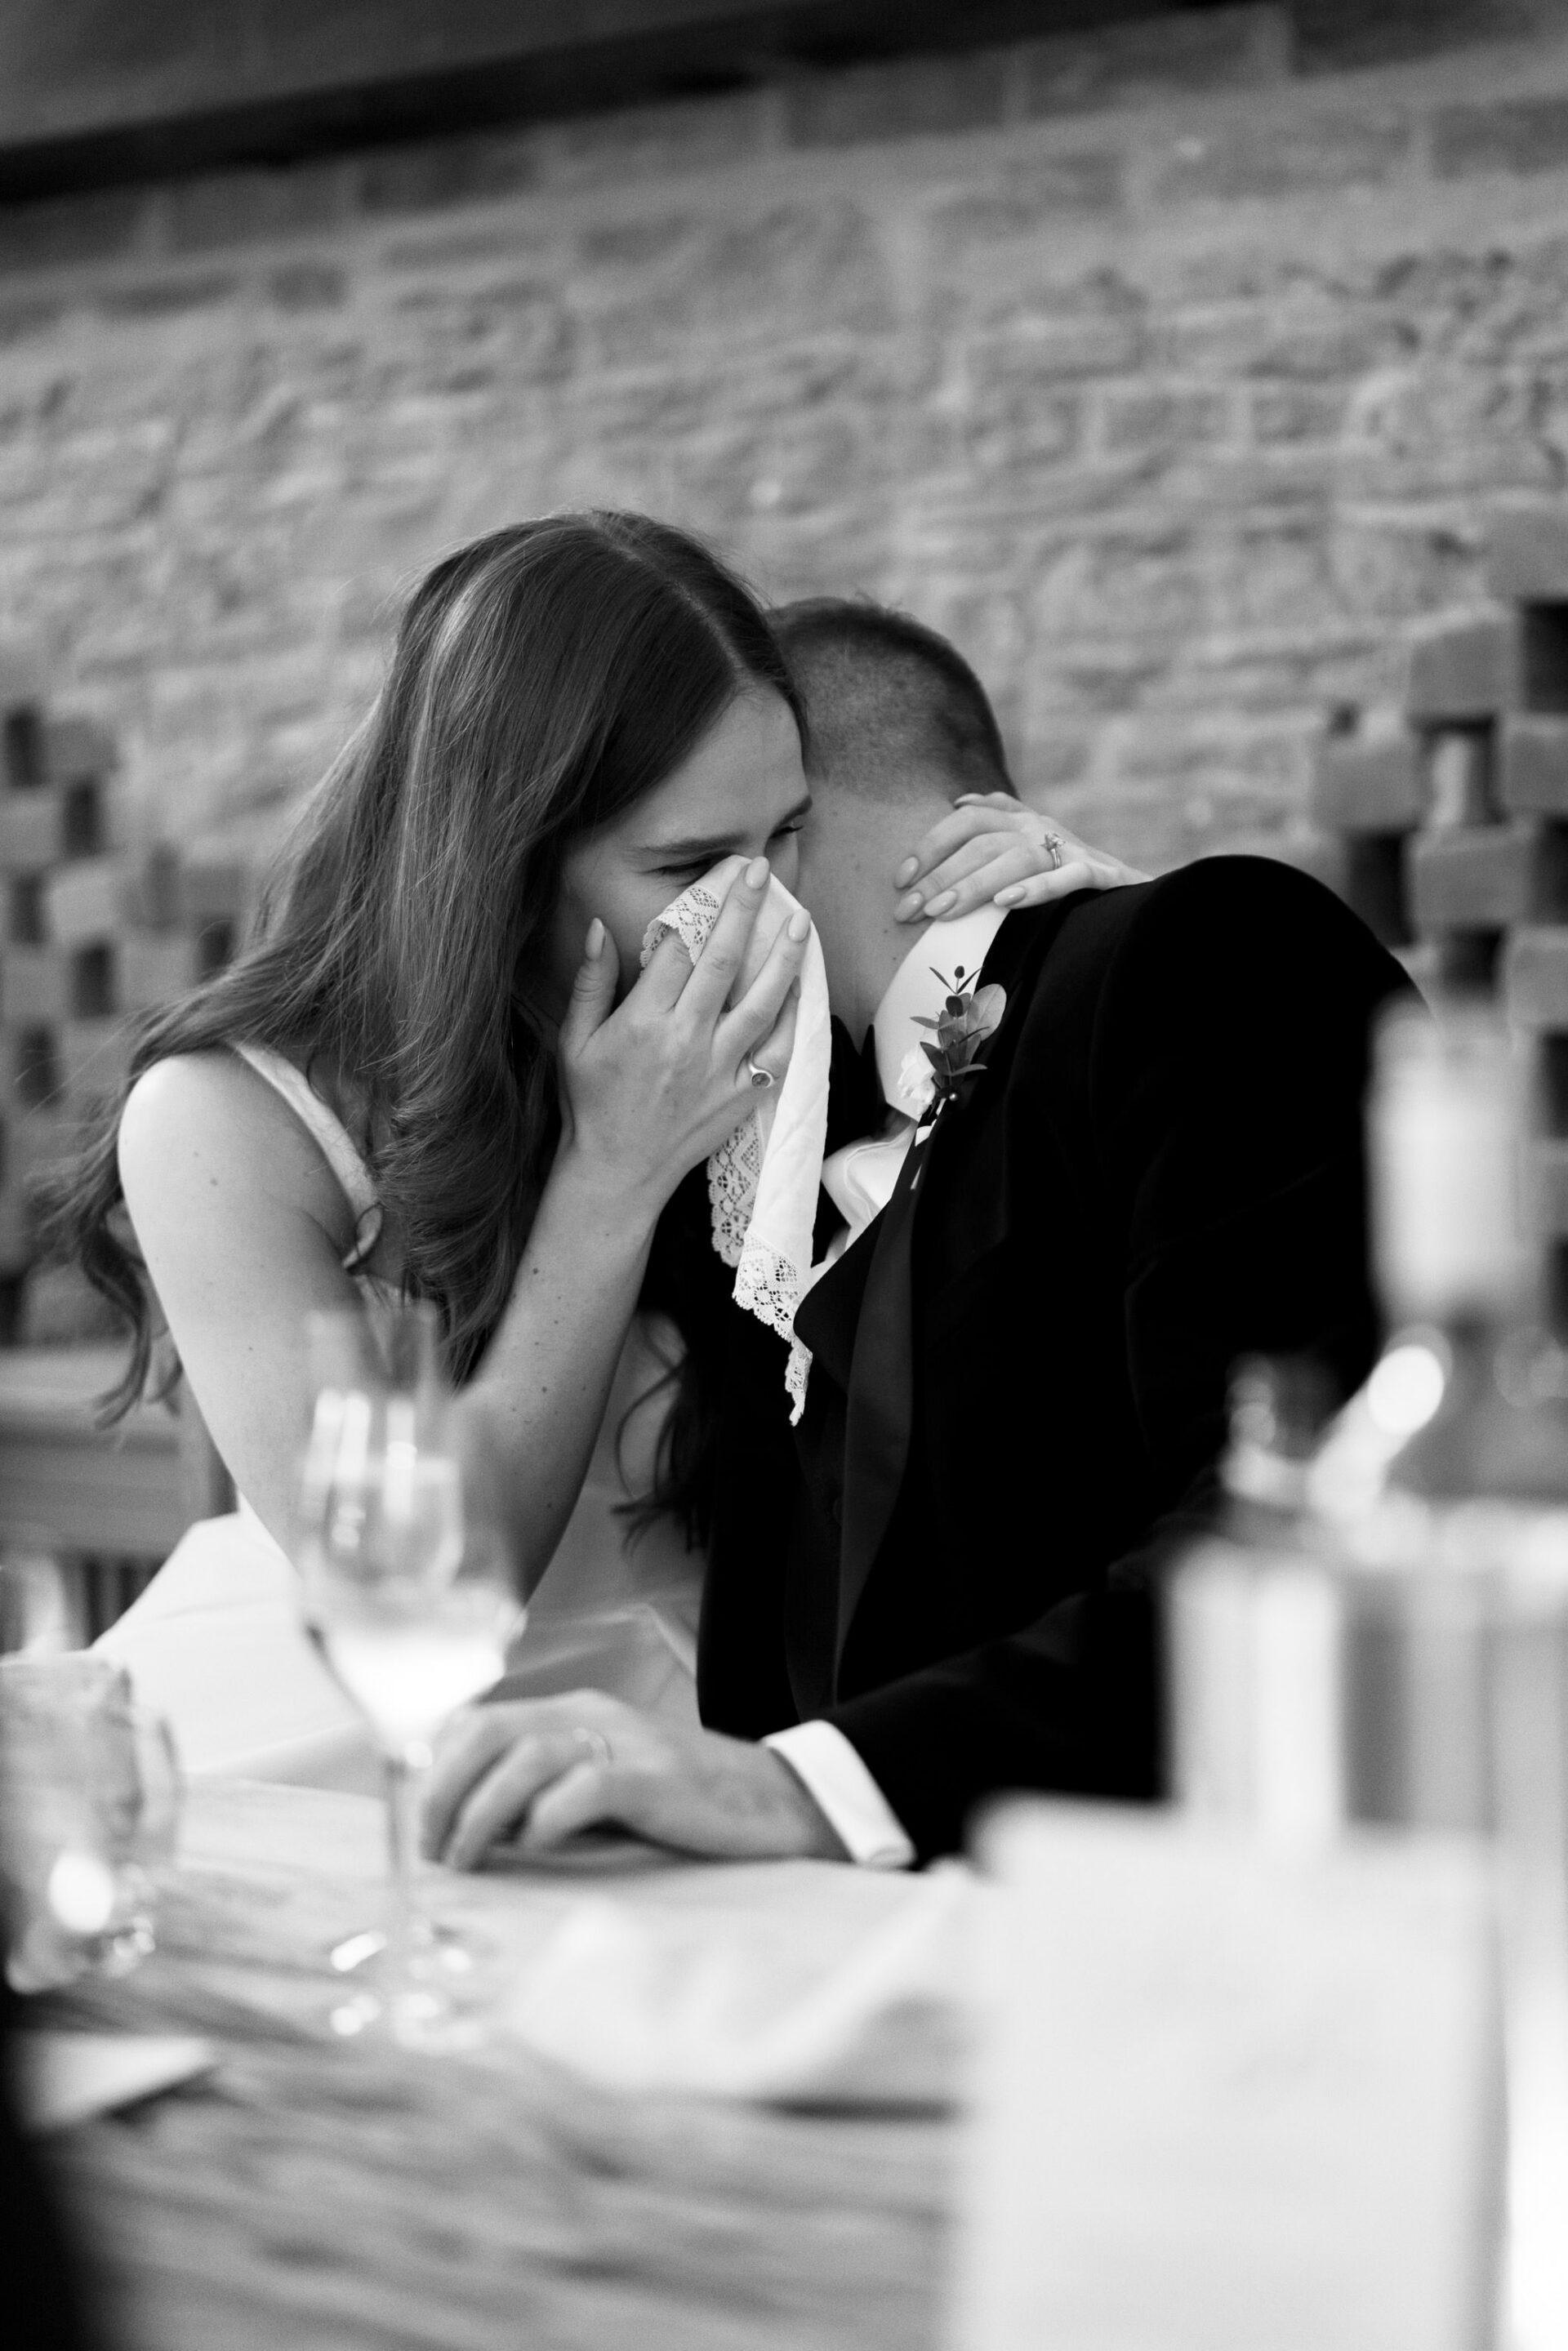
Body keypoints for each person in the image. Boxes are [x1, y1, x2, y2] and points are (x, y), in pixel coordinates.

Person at [43, 518, 1095, 1789]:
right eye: (690, 863)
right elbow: (414, 1602)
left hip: (701, 1732)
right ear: (507, 862)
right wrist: (611, 1179)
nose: (762, 905)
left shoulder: (766, 1010)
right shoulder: (224, 1121)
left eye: (786, 836)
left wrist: (1048, 930)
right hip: (355, 1746)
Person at [423, 596, 1412, 1871]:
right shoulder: (751, 1182)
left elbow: (1302, 1541)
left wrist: (804, 1790)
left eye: (699, 864)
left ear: (781, 827)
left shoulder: (1207, 962)